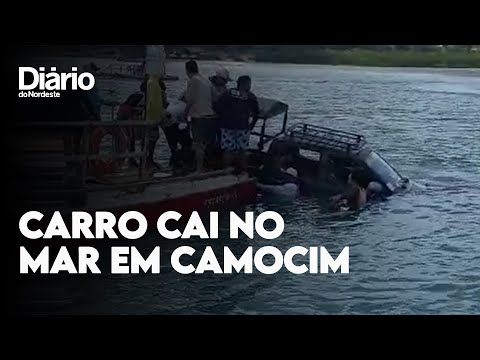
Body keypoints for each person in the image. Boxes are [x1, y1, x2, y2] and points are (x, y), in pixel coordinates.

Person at [215, 75, 259, 173]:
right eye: (249, 84)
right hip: (243, 127)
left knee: (227, 149)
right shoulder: (250, 96)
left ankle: (226, 170)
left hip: (227, 126)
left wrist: (222, 119)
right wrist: (251, 126)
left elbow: (217, 107)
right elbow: (256, 113)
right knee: (242, 150)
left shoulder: (227, 93)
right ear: (246, 84)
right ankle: (242, 171)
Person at [184, 60, 216, 173]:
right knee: (206, 144)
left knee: (198, 145)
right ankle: (208, 166)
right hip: (210, 116)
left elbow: (190, 100)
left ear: (187, 70)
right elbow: (214, 97)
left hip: (199, 116)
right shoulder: (206, 80)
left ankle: (199, 169)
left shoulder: (193, 80)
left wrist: (185, 113)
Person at [145, 73, 167, 169]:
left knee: (151, 138)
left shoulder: (152, 85)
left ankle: (148, 160)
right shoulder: (155, 87)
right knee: (152, 139)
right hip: (152, 117)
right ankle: (148, 161)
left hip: (153, 117)